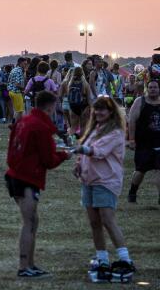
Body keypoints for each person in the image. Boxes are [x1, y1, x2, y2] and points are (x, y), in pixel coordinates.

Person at [5, 90, 70, 279]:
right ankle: (24, 266)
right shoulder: (41, 127)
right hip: (26, 178)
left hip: (15, 174)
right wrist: (66, 155)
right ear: (50, 107)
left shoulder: (24, 120)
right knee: (30, 222)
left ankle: (30, 264)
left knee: (33, 221)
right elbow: (49, 160)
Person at [73, 96, 134, 282]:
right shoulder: (94, 129)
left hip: (106, 181)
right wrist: (78, 164)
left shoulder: (115, 132)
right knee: (94, 222)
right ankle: (102, 259)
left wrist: (79, 150)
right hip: (89, 181)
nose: (98, 113)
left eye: (103, 110)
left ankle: (125, 260)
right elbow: (87, 149)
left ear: (111, 112)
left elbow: (98, 151)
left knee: (107, 220)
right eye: (96, 109)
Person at [126, 78, 160, 204]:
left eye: (155, 87)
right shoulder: (140, 102)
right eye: (150, 87)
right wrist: (131, 139)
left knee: (159, 169)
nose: (152, 89)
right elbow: (132, 121)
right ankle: (132, 192)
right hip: (143, 142)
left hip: (158, 142)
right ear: (147, 89)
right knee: (141, 170)